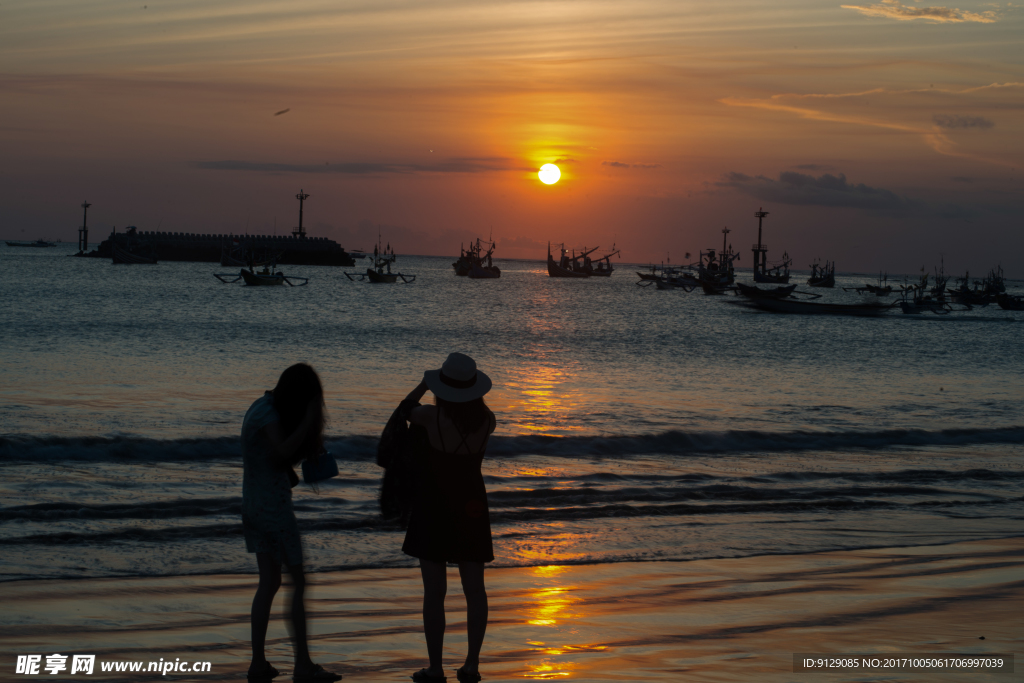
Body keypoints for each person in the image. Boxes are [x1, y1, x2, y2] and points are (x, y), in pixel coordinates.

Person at [399, 353, 496, 683]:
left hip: (434, 501)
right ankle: (471, 665)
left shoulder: (430, 417)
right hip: (471, 502)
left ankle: (435, 667)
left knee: (434, 591)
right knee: (475, 590)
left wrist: (424, 385)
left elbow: (402, 410)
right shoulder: (488, 420)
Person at [241, 363, 341, 683]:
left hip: (255, 507)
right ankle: (303, 665)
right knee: (297, 582)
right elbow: (278, 454)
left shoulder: (262, 407)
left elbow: (272, 458)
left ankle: (259, 662)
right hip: (273, 511)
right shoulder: (268, 413)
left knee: (269, 583)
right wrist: (309, 421)